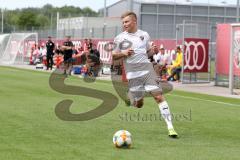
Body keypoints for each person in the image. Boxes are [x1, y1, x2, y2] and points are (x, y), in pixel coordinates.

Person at [112, 11, 178, 138]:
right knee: (140, 104)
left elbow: (147, 52)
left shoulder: (144, 35)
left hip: (147, 70)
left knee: (158, 97)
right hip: (132, 73)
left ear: (134, 21)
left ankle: (171, 128)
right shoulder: (120, 38)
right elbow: (114, 55)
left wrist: (154, 51)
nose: (124, 24)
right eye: (123, 22)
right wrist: (124, 53)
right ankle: (132, 98)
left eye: (126, 22)